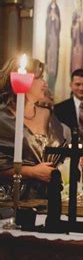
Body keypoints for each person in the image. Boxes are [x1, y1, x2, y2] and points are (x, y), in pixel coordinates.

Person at [0, 57, 68, 200]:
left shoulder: (47, 114)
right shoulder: (3, 117)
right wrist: (32, 172)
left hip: (52, 195)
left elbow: (62, 151)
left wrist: (73, 160)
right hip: (12, 197)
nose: (45, 84)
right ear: (24, 80)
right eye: (40, 78)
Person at [44, 0, 61, 90]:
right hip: (49, 38)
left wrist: (56, 18)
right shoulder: (49, 7)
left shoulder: (57, 8)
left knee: (54, 61)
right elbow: (47, 23)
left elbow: (59, 25)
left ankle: (52, 81)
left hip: (55, 37)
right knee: (49, 58)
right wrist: (50, 17)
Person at [70, 0, 83, 73]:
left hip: (80, 42)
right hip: (75, 41)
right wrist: (76, 25)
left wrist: (81, 23)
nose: (78, 3)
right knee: (74, 58)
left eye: (79, 1)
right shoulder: (74, 13)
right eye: (77, 1)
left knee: (79, 59)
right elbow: (72, 27)